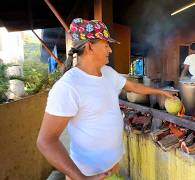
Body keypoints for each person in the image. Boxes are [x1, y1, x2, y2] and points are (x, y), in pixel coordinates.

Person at [36, 18, 175, 180]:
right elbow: (46, 141)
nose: (110, 50)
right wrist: (80, 178)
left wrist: (160, 92)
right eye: (106, 45)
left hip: (112, 168)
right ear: (89, 47)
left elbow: (132, 87)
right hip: (87, 173)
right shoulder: (68, 86)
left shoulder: (108, 73)